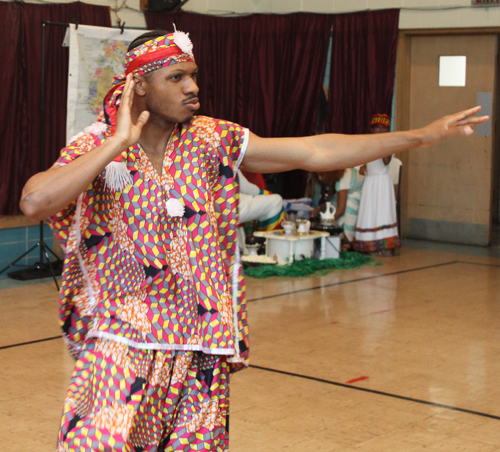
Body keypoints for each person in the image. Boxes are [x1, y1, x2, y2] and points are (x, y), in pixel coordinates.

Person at [19, 29, 488, 452]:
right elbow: (35, 201)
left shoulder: (211, 139)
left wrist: (419, 137)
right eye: (177, 77)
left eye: (195, 76)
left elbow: (313, 149)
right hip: (122, 341)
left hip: (201, 341)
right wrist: (117, 144)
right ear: (140, 83)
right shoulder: (96, 144)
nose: (193, 88)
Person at [353, 114, 400, 255]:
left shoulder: (389, 143)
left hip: (382, 182)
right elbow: (367, 160)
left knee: (382, 212)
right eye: (377, 128)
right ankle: (368, 244)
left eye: (383, 128)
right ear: (372, 129)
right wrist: (364, 167)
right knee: (370, 211)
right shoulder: (368, 143)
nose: (380, 131)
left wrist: (383, 143)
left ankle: (385, 245)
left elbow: (385, 161)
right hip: (370, 182)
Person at [309, 168, 364, 243]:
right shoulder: (336, 178)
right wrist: (318, 208)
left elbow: (341, 209)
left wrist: (324, 223)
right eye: (318, 176)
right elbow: (332, 202)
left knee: (349, 209)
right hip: (351, 193)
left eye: (322, 175)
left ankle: (347, 240)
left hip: (360, 193)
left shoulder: (343, 179)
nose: (320, 179)